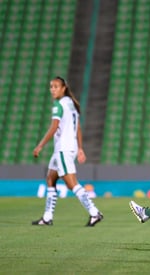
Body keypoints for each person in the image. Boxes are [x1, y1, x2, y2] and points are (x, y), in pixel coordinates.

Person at [32, 76, 103, 227]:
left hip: (63, 150)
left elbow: (53, 127)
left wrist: (40, 145)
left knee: (72, 185)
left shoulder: (58, 105)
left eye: (56, 86)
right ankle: (47, 217)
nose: (53, 89)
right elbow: (77, 128)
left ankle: (94, 212)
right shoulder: (70, 104)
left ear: (63, 88)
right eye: (51, 86)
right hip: (66, 149)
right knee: (51, 179)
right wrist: (80, 148)